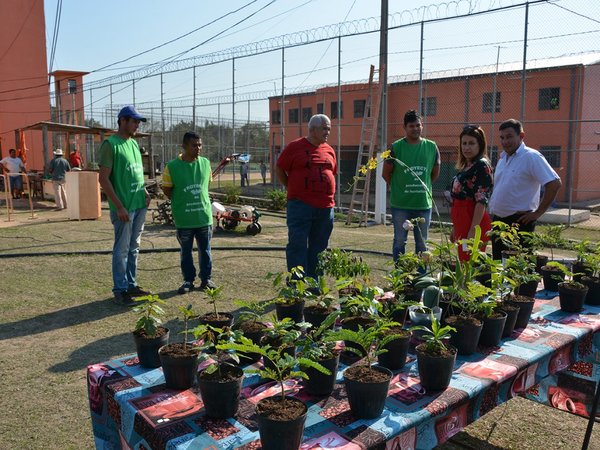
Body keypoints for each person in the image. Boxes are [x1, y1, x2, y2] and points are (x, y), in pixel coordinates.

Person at [98, 106, 152, 306]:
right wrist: (118, 206)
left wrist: (144, 190)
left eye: (138, 122)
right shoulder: (110, 144)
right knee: (121, 249)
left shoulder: (133, 144)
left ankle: (131, 284)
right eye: (134, 121)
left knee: (134, 247)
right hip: (124, 208)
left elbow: (136, 173)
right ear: (122, 121)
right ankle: (120, 289)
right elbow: (103, 179)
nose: (137, 125)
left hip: (139, 205)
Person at [488, 119, 561, 260]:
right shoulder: (503, 158)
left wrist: (538, 213)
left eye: (509, 137)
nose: (505, 141)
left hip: (520, 222)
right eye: (502, 138)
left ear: (521, 136)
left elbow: (554, 183)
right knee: (498, 264)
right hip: (498, 222)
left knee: (518, 268)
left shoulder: (531, 157)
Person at [275, 114, 337, 279]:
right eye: (324, 128)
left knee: (320, 246)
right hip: (300, 205)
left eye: (329, 128)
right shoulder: (295, 147)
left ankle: (314, 281)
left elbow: (332, 173)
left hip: (325, 207)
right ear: (312, 129)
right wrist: (291, 186)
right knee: (298, 244)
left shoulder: (329, 150)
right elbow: (280, 168)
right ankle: (297, 283)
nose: (327, 132)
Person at [382, 110, 441, 262]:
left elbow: (434, 173)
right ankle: (400, 277)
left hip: (423, 205)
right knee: (400, 242)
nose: (415, 128)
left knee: (422, 244)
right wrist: (399, 187)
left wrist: (422, 188)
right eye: (411, 126)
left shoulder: (432, 147)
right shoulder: (395, 147)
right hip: (401, 205)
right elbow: (386, 173)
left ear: (422, 126)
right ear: (405, 127)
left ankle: (421, 277)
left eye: (418, 125)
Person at [162, 131, 216, 294]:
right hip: (184, 219)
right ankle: (188, 280)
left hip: (204, 218)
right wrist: (182, 201)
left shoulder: (206, 163)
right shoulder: (172, 166)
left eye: (200, 144)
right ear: (184, 146)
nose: (198, 148)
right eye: (194, 145)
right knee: (186, 252)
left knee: (205, 251)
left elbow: (205, 186)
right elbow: (167, 190)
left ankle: (206, 279)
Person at [449, 125, 493, 261]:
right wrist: (455, 227)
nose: (467, 147)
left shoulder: (481, 165)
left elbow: (481, 200)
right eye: (464, 143)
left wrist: (474, 229)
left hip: (472, 218)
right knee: (463, 261)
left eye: (472, 143)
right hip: (462, 218)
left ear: (480, 145)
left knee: (470, 263)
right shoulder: (467, 166)